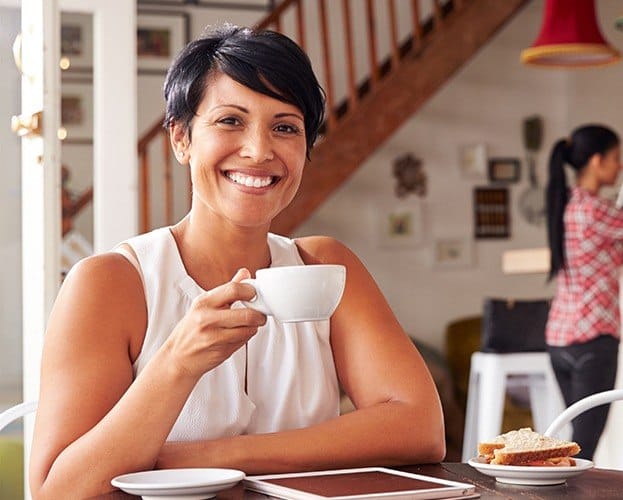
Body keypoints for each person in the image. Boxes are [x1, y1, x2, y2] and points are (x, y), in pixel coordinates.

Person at [29, 24, 445, 498]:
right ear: (181, 139)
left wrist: (214, 456)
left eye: (285, 127)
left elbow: (421, 426)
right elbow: (54, 491)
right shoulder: (111, 283)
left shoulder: (324, 266)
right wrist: (177, 363)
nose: (259, 150)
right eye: (230, 121)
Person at [545, 124, 622, 460]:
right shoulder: (595, 209)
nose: (620, 166)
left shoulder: (566, 205)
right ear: (596, 160)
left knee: (578, 443)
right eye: (616, 158)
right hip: (592, 339)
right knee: (583, 451)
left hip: (560, 339)